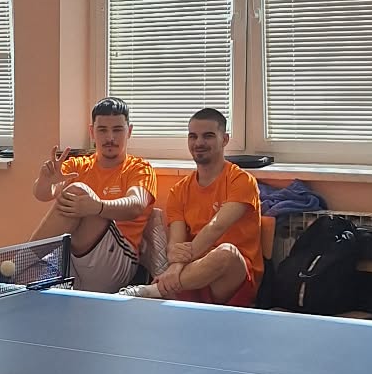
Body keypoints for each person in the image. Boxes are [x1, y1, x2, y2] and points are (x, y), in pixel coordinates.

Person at [134, 107, 263, 305]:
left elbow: (216, 227)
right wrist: (175, 262)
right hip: (192, 275)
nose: (199, 143)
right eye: (193, 136)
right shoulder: (179, 190)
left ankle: (154, 290)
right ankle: (164, 289)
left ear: (225, 140)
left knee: (226, 252)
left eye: (208, 136)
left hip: (233, 277)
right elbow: (176, 243)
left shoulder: (242, 181)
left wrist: (176, 266)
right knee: (177, 259)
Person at [33, 98, 156, 292]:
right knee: (32, 279)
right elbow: (43, 194)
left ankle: (16, 266)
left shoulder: (139, 168)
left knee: (78, 192)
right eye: (102, 130)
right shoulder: (79, 165)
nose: (110, 138)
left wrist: (97, 207)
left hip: (118, 261)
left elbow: (136, 204)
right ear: (92, 132)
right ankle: (15, 271)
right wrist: (46, 181)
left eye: (117, 130)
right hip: (73, 258)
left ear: (129, 131)